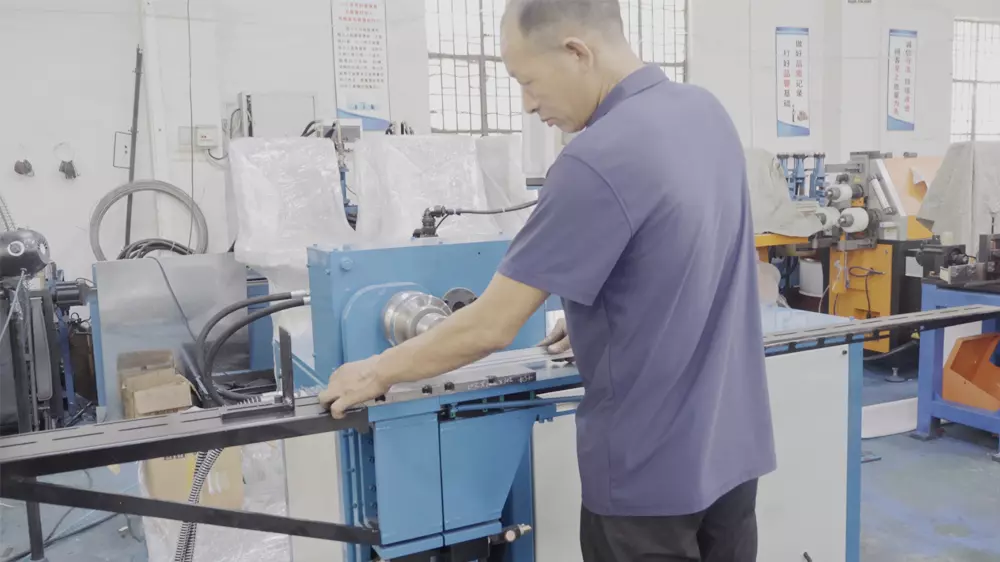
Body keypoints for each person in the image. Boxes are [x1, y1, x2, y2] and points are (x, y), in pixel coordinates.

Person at [319, 0, 776, 560]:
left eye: (527, 81)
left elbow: (489, 327)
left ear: (577, 51)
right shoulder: (706, 112)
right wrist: (600, 321)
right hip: (733, 454)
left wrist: (375, 371)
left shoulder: (595, 159)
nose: (529, 104)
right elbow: (690, 254)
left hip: (648, 479)